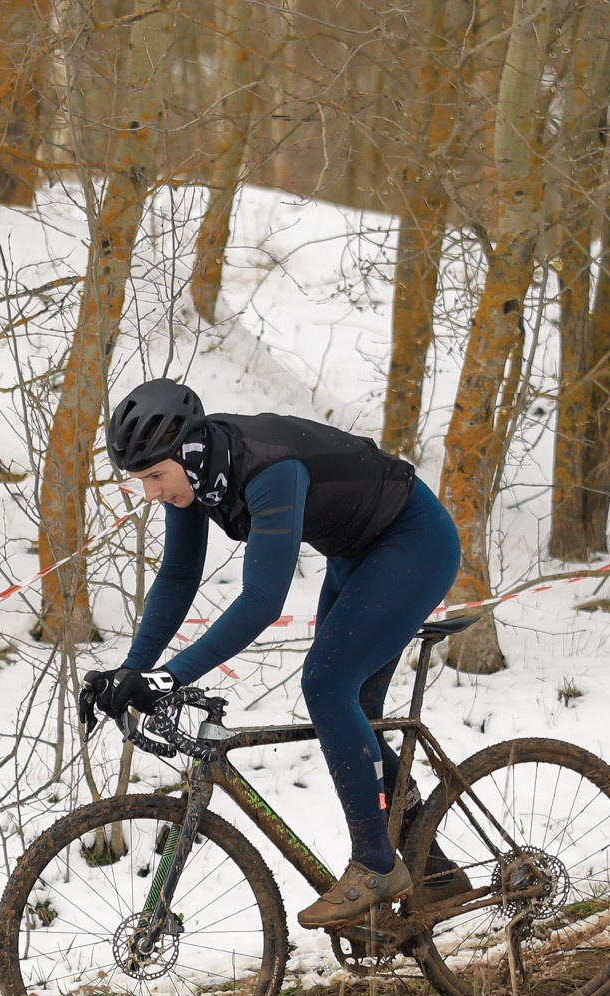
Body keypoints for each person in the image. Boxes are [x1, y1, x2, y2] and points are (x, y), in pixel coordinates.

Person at [81, 379, 462, 928]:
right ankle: (436, 873)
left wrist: (170, 677)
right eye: (141, 481)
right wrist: (133, 670)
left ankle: (377, 867)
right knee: (356, 711)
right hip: (359, 554)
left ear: (187, 451)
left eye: (155, 477)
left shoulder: (267, 470)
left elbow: (262, 601)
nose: (150, 494)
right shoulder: (194, 475)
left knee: (327, 686)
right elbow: (179, 574)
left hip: (413, 541)